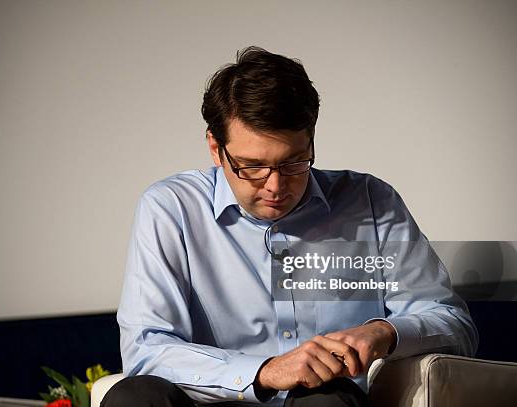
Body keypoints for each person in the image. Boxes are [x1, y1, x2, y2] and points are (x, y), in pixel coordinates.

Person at [101, 47, 478, 406]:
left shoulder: (371, 201)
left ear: (312, 140)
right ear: (216, 149)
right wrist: (264, 372)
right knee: (134, 397)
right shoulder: (171, 208)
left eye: (295, 162)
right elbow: (146, 348)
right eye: (251, 166)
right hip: (213, 403)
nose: (276, 186)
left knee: (328, 398)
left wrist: (385, 332)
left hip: (329, 402)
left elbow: (453, 324)